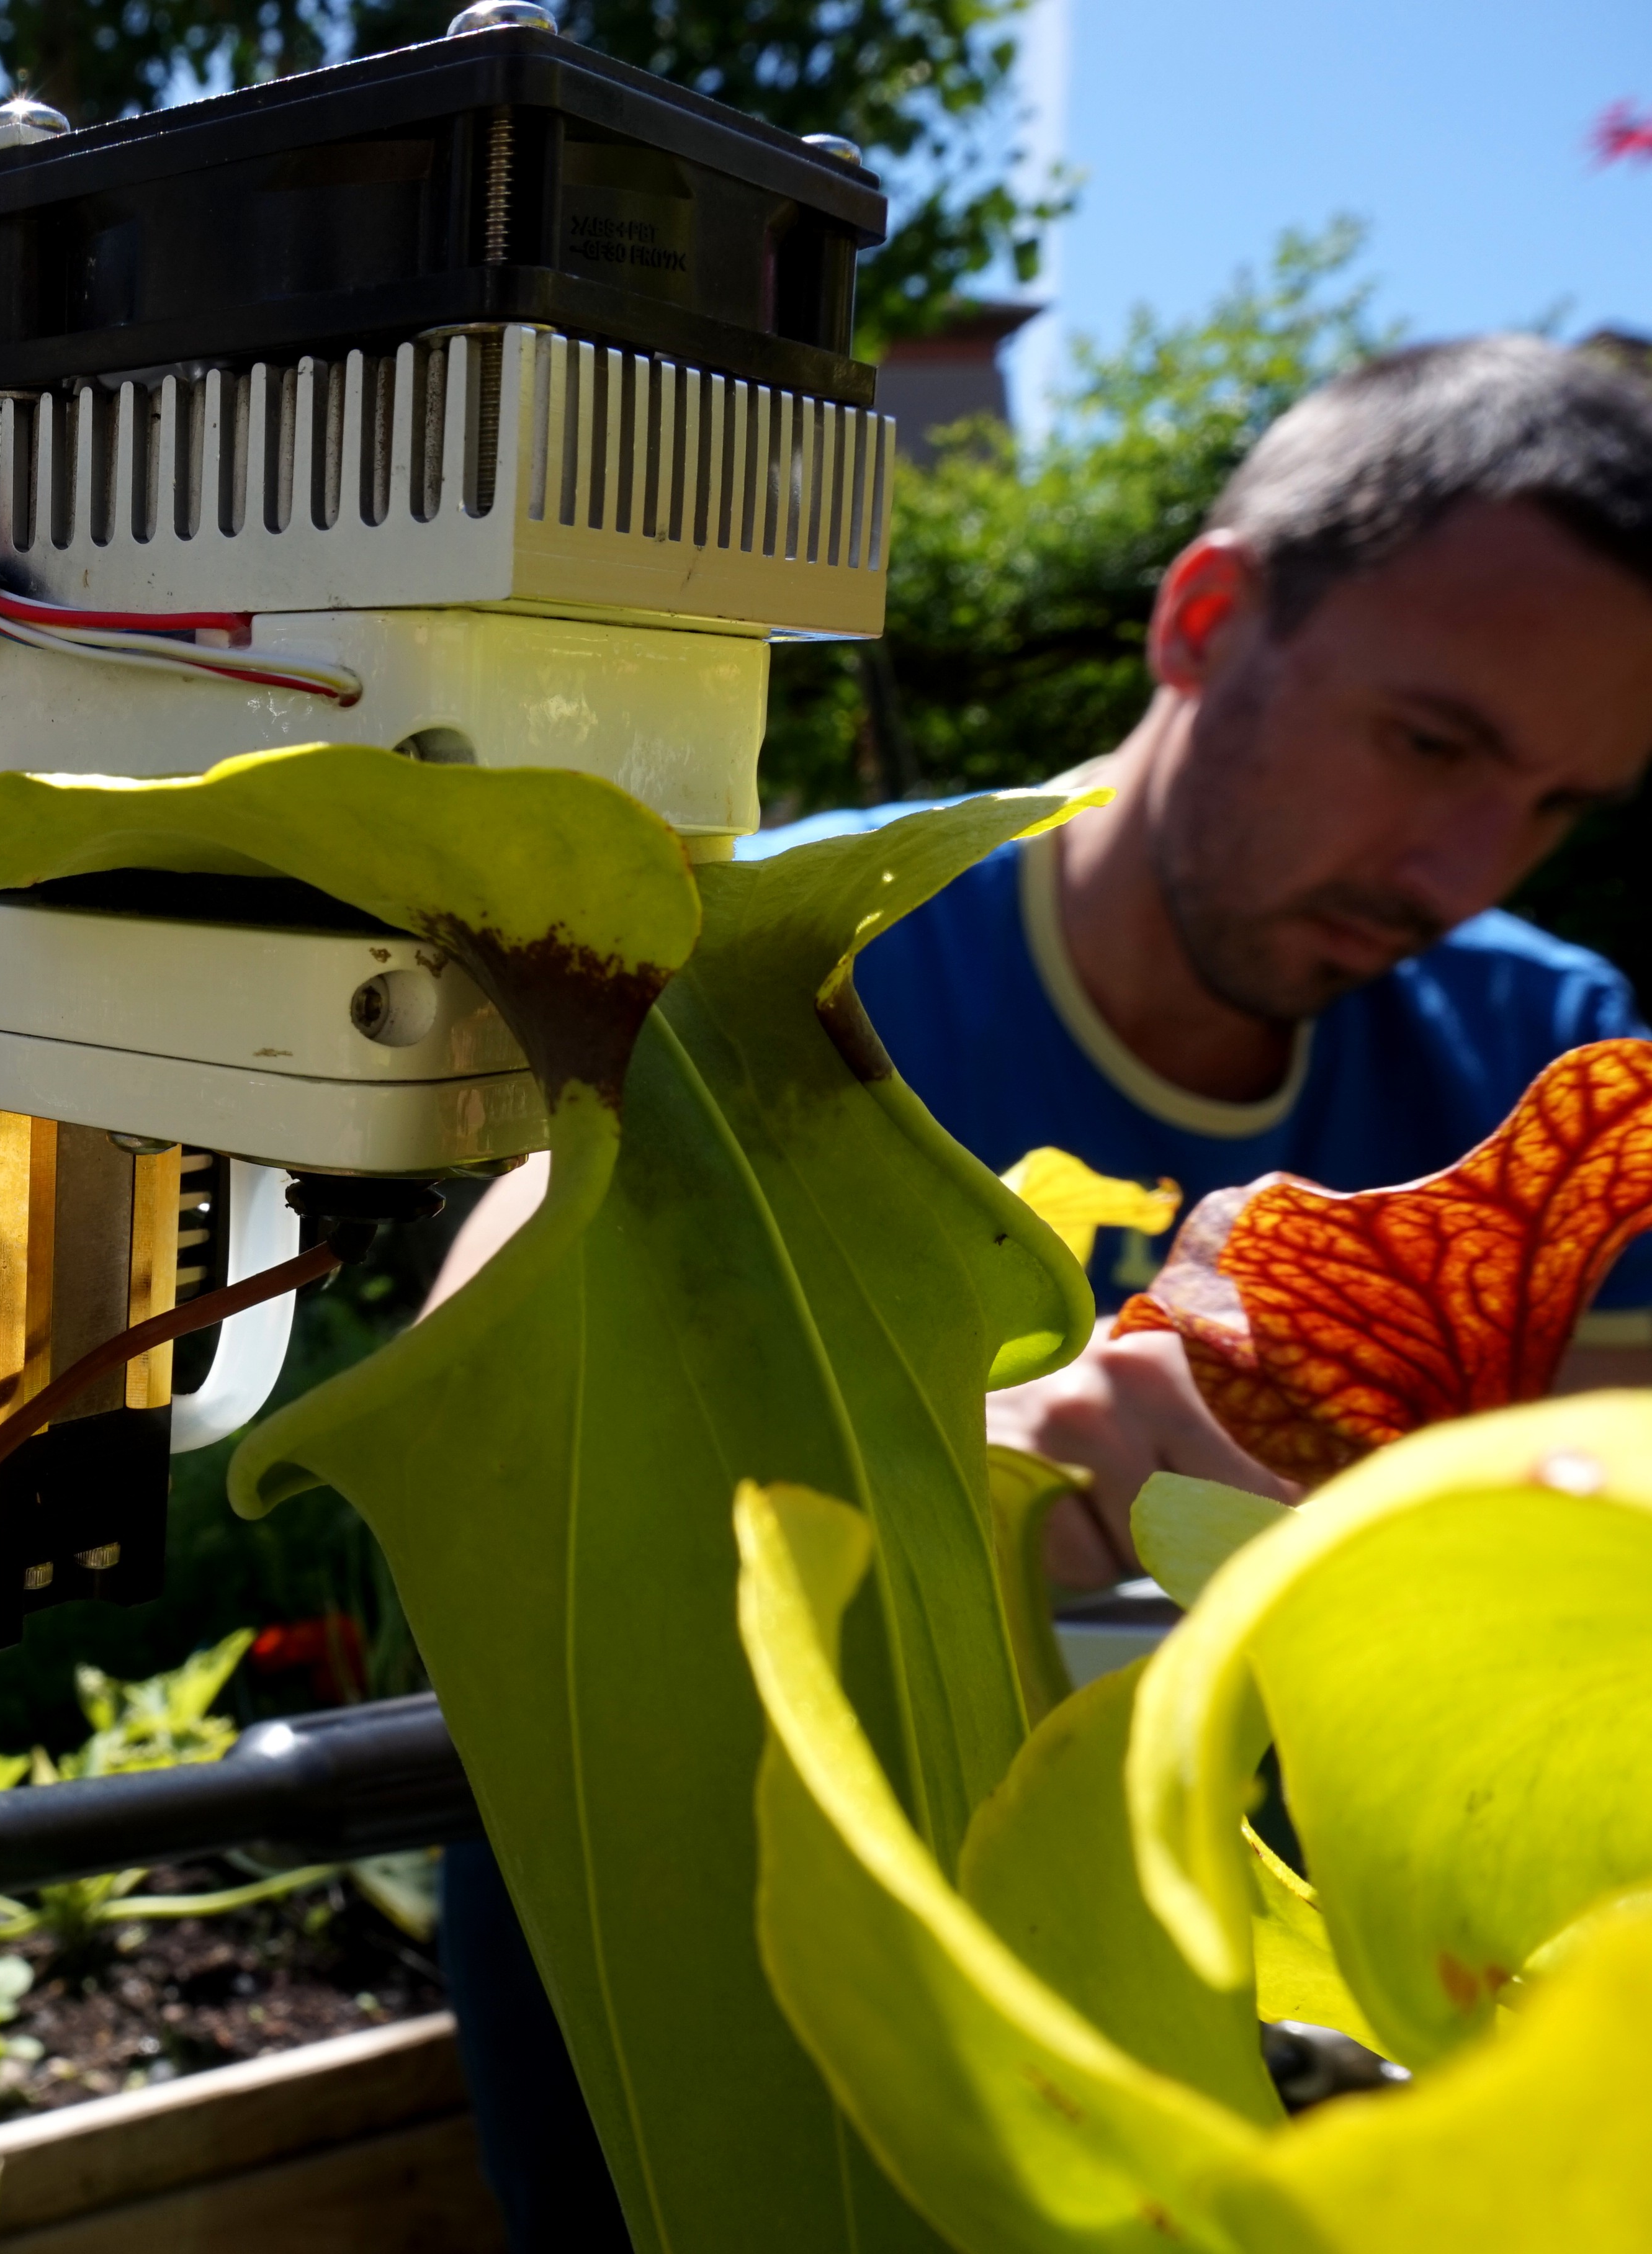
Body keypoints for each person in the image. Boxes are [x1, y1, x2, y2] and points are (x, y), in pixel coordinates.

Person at [428, 333, 1652, 2247]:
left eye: (1561, 804)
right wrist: (924, 1478)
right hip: (701, 1934)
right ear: (1206, 617)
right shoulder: (798, 960)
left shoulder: (1550, 1044)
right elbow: (492, 1447)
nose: (1461, 865)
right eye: (1432, 744)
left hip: (1244, 1993)